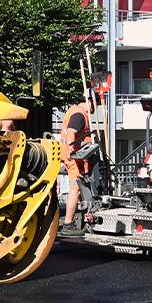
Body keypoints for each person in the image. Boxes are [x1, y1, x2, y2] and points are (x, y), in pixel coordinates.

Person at [59, 94, 97, 229]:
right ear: (90, 102)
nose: (95, 107)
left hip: (75, 158)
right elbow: (71, 132)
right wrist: (71, 147)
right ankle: (68, 223)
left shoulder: (73, 111)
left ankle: (80, 219)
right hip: (74, 158)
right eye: (95, 104)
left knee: (80, 189)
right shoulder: (79, 115)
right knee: (75, 188)